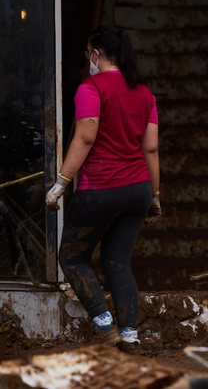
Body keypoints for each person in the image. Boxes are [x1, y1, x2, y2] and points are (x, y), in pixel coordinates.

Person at [45, 25, 161, 352]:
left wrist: (60, 183)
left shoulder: (90, 88)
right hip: (137, 189)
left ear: (96, 54)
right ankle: (130, 337)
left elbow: (85, 137)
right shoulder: (145, 94)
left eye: (88, 53)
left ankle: (103, 324)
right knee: (118, 263)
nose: (88, 59)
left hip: (101, 188)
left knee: (72, 257)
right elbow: (150, 149)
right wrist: (154, 195)